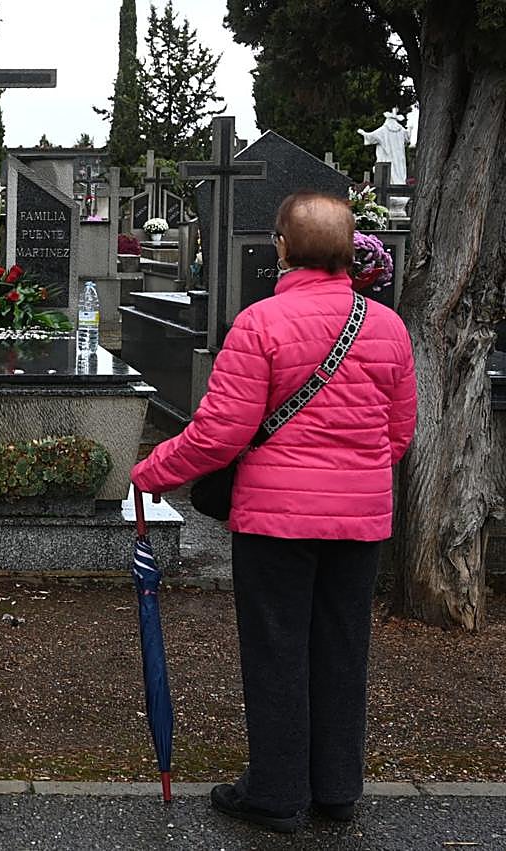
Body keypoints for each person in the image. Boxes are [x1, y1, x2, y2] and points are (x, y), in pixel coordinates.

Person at [130, 191, 416, 833]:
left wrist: (151, 472)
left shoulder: (260, 325)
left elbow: (218, 435)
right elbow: (399, 435)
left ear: (282, 248)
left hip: (276, 520)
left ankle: (278, 791)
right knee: (344, 646)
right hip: (360, 520)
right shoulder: (388, 327)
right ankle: (337, 788)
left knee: (277, 648)